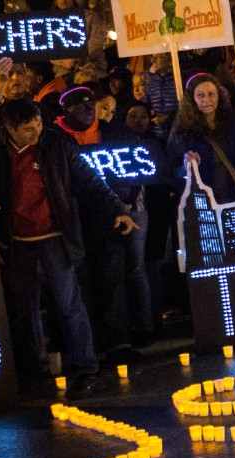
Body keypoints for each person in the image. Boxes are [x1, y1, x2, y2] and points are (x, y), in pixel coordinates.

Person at [0, 100, 133, 399]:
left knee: (69, 304)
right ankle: (37, 373)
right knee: (25, 310)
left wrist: (116, 207)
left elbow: (89, 179)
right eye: (27, 130)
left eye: (38, 126)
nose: (36, 133)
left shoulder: (57, 142)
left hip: (55, 235)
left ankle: (87, 370)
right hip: (16, 239)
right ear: (9, 129)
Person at [56, 87, 158, 360]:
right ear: (65, 110)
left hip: (109, 215)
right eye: (81, 107)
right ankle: (87, 345)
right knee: (80, 281)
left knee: (113, 277)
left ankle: (117, 342)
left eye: (92, 106)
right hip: (72, 218)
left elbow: (135, 169)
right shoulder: (54, 139)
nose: (89, 111)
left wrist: (122, 202)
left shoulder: (116, 133)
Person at [168, 74, 235, 206]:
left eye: (211, 94)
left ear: (219, 95)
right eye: (200, 95)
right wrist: (188, 166)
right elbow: (173, 166)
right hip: (204, 203)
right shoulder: (182, 129)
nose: (207, 99)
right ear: (192, 99)